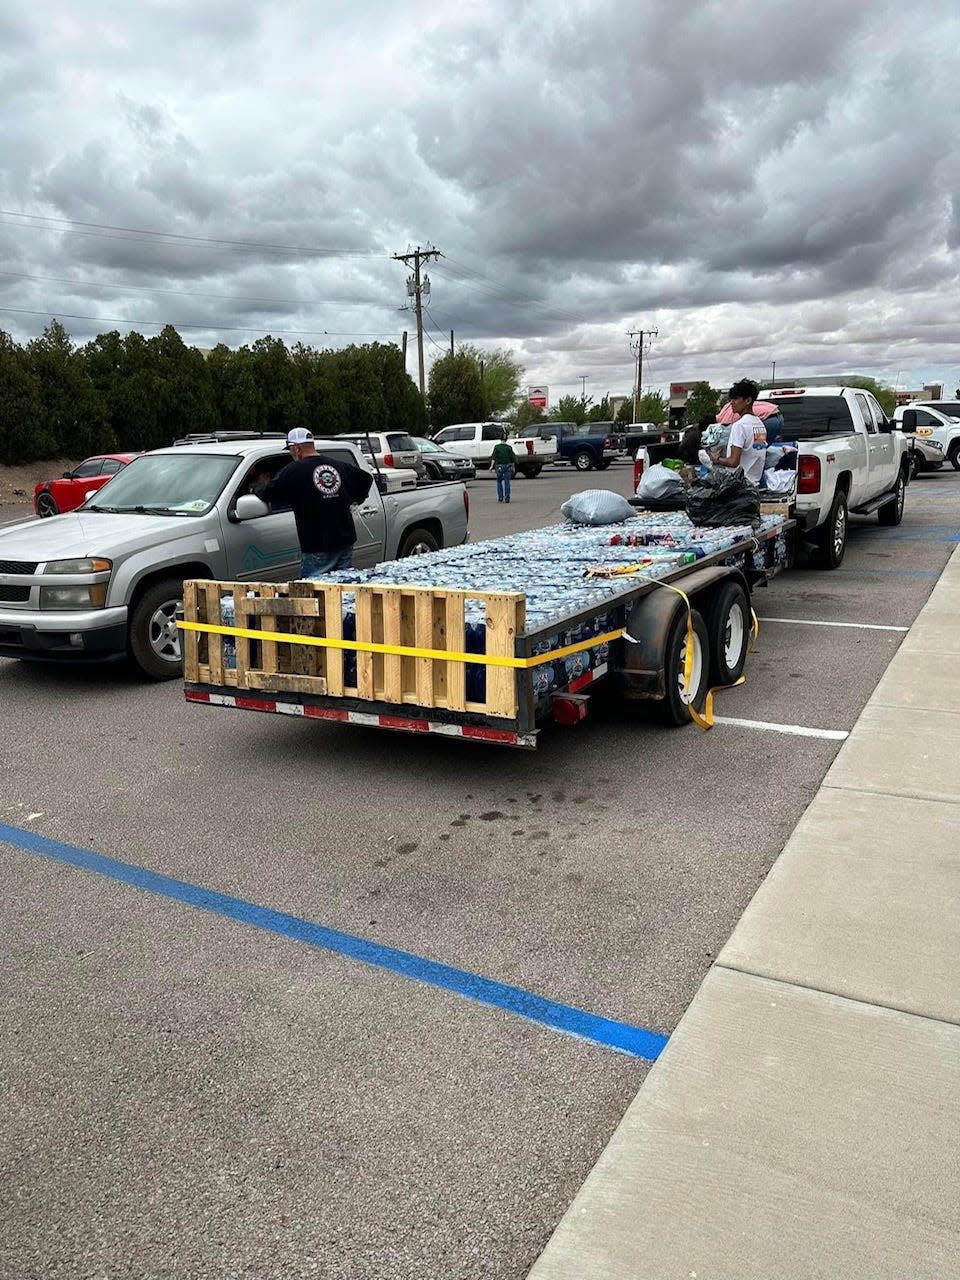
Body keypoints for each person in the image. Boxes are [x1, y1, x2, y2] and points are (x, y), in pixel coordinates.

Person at [255, 428, 373, 577]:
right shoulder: (338, 465)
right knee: (343, 589)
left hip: (317, 545)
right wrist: (352, 500)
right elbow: (366, 479)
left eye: (291, 450)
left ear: (297, 449)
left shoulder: (294, 470)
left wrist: (257, 487)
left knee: (315, 594)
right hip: (344, 540)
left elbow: (268, 493)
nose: (291, 454)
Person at [709, 379, 767, 485]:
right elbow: (756, 452)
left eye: (735, 399)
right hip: (754, 483)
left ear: (748, 400)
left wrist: (716, 459)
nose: (731, 402)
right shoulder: (759, 425)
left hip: (739, 486)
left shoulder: (740, 426)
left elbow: (733, 462)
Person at [491, 437, 515, 503]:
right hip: (507, 465)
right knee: (507, 482)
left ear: (500, 439)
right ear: (506, 439)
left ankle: (500, 497)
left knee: (499, 481)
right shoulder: (509, 447)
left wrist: (491, 466)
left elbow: (494, 457)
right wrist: (513, 467)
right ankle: (507, 498)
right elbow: (512, 458)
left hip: (499, 466)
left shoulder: (497, 447)